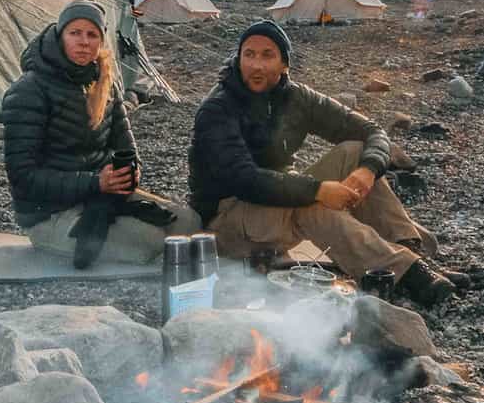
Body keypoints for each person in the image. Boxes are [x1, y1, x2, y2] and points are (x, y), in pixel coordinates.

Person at [189, 20, 461, 308]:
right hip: (227, 217)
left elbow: (372, 132)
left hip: (277, 199)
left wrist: (367, 170)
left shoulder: (296, 98)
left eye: (267, 55)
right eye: (249, 54)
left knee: (355, 151)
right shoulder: (218, 109)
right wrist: (318, 190)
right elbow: (243, 179)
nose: (256, 65)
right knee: (312, 206)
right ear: (238, 57)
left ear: (285, 64)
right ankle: (406, 274)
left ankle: (411, 255)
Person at [2, 0, 198, 266]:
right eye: (75, 33)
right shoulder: (29, 90)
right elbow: (23, 176)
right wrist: (95, 182)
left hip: (102, 195)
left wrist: (131, 171)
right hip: (49, 212)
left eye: (92, 34)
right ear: (60, 36)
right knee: (151, 242)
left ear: (100, 41)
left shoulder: (103, 80)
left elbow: (124, 143)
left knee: (188, 223)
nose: (84, 41)